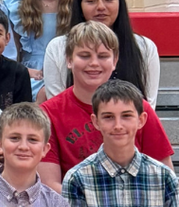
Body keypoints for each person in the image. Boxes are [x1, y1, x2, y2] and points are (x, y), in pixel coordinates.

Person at [37, 23, 173, 193]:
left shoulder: (138, 108)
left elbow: (166, 178)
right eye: (85, 55)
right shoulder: (48, 114)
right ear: (69, 60)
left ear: (114, 61)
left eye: (102, 56)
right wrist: (100, 205)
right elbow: (49, 185)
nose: (94, 63)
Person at [42, 0, 160, 106]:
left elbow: (149, 104)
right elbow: (57, 107)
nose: (101, 7)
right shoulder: (58, 47)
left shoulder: (144, 47)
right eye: (91, 1)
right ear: (80, 6)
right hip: (73, 126)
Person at [3, 0, 74, 97]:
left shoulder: (75, 5)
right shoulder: (14, 8)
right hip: (30, 76)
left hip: (67, 73)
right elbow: (11, 55)